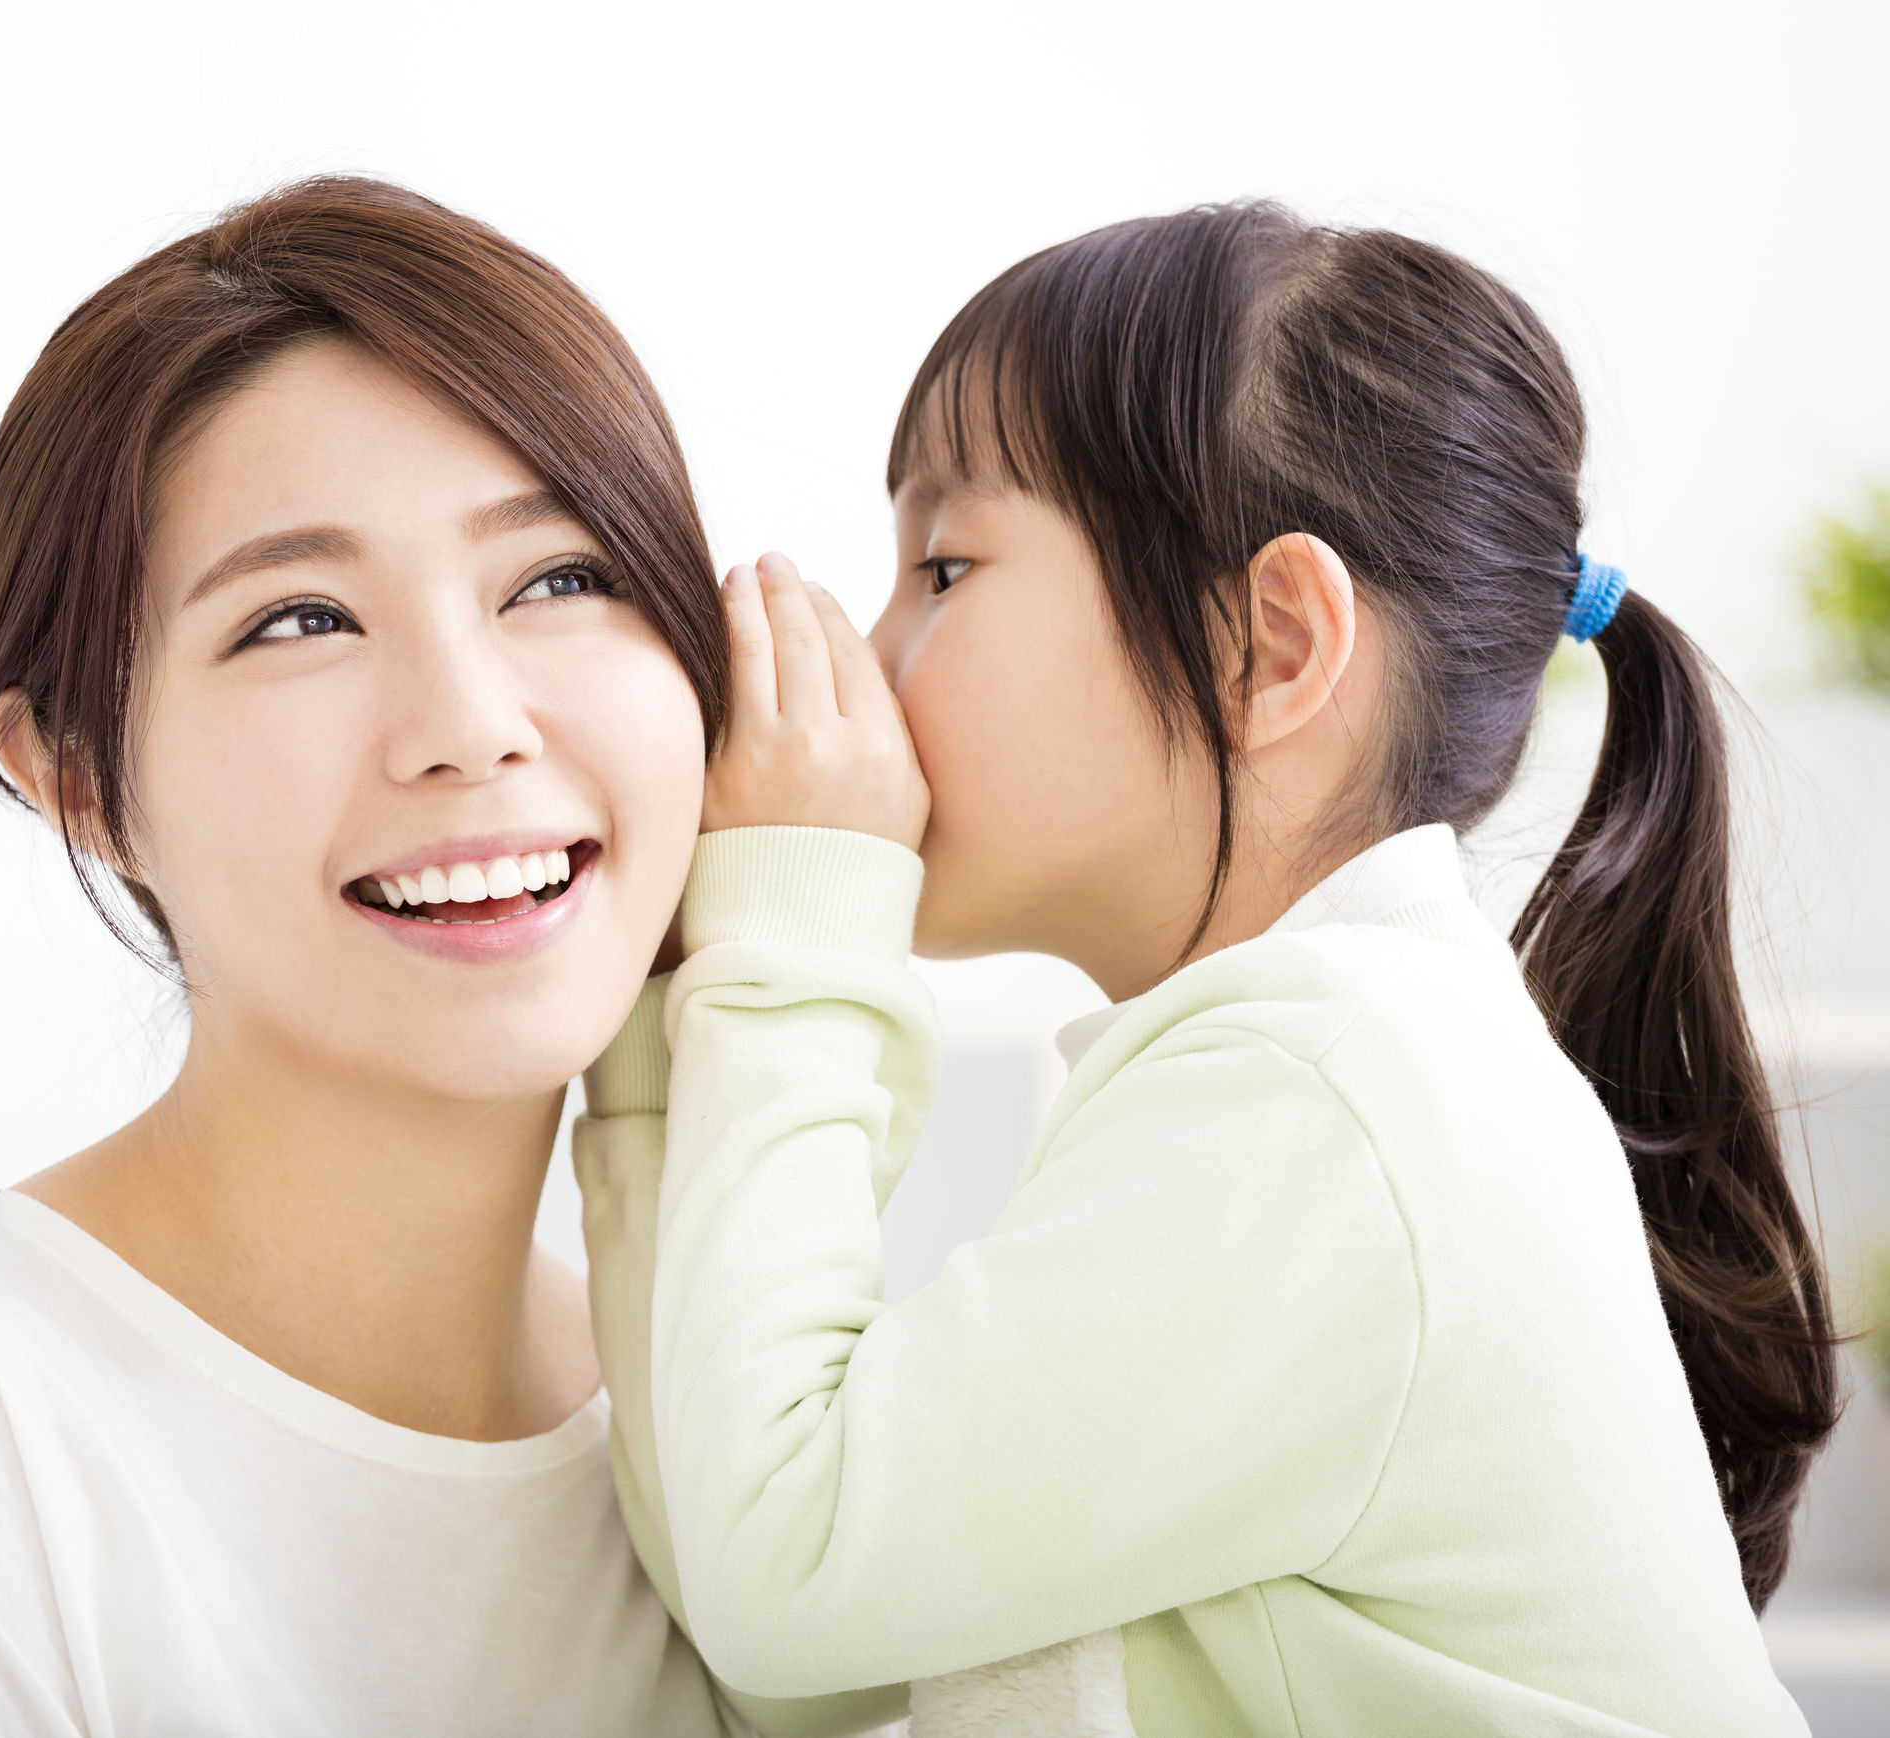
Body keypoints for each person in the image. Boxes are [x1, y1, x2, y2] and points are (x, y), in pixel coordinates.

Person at [0, 176, 901, 1738]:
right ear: (81, 777)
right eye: (300, 618)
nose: (472, 724)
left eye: (560, 578)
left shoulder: (732, 1427)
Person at [578, 203, 1833, 1736]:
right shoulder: (1317, 1063)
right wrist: (670, 1035)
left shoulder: (1334, 1089)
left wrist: (789, 935)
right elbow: (799, 1657)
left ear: (1270, 646)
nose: (873, 642)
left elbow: (786, 1570)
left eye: (946, 566)